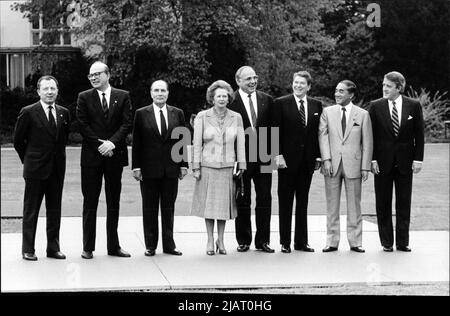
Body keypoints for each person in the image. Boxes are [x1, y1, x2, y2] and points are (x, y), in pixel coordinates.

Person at [76, 61, 132, 259]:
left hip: (114, 157)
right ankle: (88, 247)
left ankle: (113, 246)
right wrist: (101, 146)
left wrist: (112, 144)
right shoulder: (84, 97)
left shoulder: (122, 96)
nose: (93, 78)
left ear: (108, 74)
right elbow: (82, 125)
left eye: (97, 74)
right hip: (92, 158)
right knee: (90, 202)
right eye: (90, 75)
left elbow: (127, 124)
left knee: (113, 202)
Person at [13, 75, 70, 261]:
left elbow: (62, 141)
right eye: (45, 89)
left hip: (56, 170)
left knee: (55, 210)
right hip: (35, 171)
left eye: (52, 88)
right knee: (31, 211)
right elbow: (18, 141)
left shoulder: (64, 113)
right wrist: (29, 160)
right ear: (38, 91)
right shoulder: (28, 112)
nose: (49, 92)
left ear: (57, 90)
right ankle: (28, 249)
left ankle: (53, 248)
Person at [368, 71, 424, 252]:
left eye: (388, 86)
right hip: (382, 162)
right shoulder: (375, 106)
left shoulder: (413, 106)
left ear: (399, 88)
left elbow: (419, 135)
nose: (384, 88)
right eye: (383, 85)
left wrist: (418, 159)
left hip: (406, 162)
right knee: (382, 203)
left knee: (403, 203)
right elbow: (371, 136)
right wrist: (372, 159)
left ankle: (403, 242)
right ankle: (386, 242)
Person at [132, 80, 188, 256]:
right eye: (156, 90)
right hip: (148, 169)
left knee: (168, 208)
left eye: (163, 90)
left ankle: (169, 245)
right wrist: (136, 167)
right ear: (151, 93)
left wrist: (184, 164)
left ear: (168, 93)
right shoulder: (141, 114)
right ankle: (150, 245)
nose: (160, 93)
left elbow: (182, 140)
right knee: (149, 208)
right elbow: (137, 142)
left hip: (171, 169)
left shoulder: (177, 113)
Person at [191, 80, 246, 255]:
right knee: (209, 207)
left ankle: (220, 240)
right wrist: (196, 166)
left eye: (225, 96)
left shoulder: (236, 117)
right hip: (207, 166)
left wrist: (242, 165)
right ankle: (209, 240)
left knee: (223, 208)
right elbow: (196, 143)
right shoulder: (202, 116)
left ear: (229, 98)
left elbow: (241, 144)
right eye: (218, 96)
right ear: (212, 98)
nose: (222, 99)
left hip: (228, 167)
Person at [318, 80, 373, 253]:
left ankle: (355, 241)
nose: (337, 94)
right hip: (332, 165)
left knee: (354, 205)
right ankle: (332, 241)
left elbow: (368, 142)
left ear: (351, 95)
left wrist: (365, 167)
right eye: (336, 91)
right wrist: (326, 160)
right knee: (331, 205)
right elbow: (323, 136)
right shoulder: (327, 112)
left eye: (341, 91)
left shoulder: (362, 114)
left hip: (354, 165)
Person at [272, 71, 322, 253]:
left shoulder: (317, 105)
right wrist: (277, 155)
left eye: (302, 83)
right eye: (296, 82)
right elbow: (274, 131)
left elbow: (317, 133)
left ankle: (301, 241)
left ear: (309, 86)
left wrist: (317, 156)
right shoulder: (280, 103)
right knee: (285, 202)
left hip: (307, 162)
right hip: (286, 161)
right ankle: (285, 242)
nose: (298, 85)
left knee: (303, 202)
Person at [228, 66, 275, 253]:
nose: (253, 81)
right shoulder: (230, 101)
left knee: (265, 198)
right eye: (248, 78)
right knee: (243, 199)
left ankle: (263, 241)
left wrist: (274, 154)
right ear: (238, 80)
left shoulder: (267, 100)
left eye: (255, 77)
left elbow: (273, 128)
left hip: (265, 155)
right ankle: (244, 240)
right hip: (242, 157)